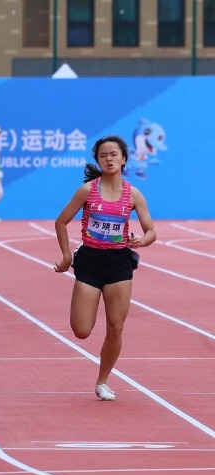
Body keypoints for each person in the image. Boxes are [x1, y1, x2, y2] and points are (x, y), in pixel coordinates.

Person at [53, 135, 156, 401]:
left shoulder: (133, 194)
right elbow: (61, 221)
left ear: (123, 159)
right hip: (90, 262)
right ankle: (100, 373)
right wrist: (66, 256)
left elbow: (151, 231)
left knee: (116, 326)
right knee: (81, 330)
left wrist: (141, 240)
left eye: (113, 154)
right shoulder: (88, 190)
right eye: (103, 155)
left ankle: (103, 381)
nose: (109, 159)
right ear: (98, 160)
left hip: (119, 263)